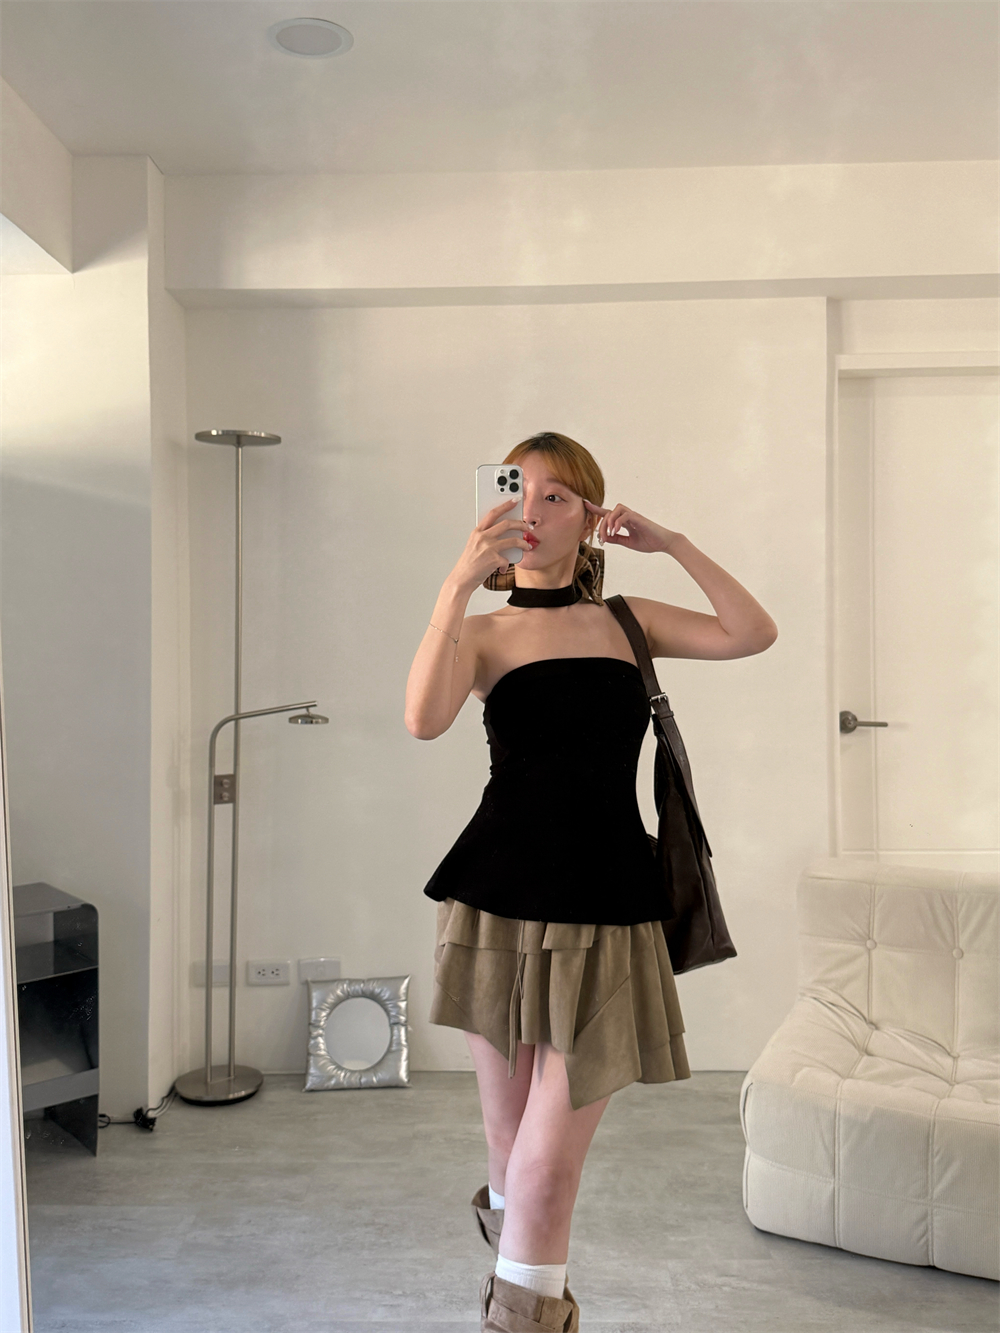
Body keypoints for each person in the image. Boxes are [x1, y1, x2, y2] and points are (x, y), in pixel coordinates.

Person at [404, 431, 777, 1331]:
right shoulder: (483, 632)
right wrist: (458, 582)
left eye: (557, 496)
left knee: (544, 1166)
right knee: (509, 1156)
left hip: (608, 906)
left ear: (590, 516)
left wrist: (673, 543)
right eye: (518, 492)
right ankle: (522, 1288)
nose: (532, 511)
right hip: (493, 904)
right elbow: (422, 718)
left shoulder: (628, 622)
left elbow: (751, 631)